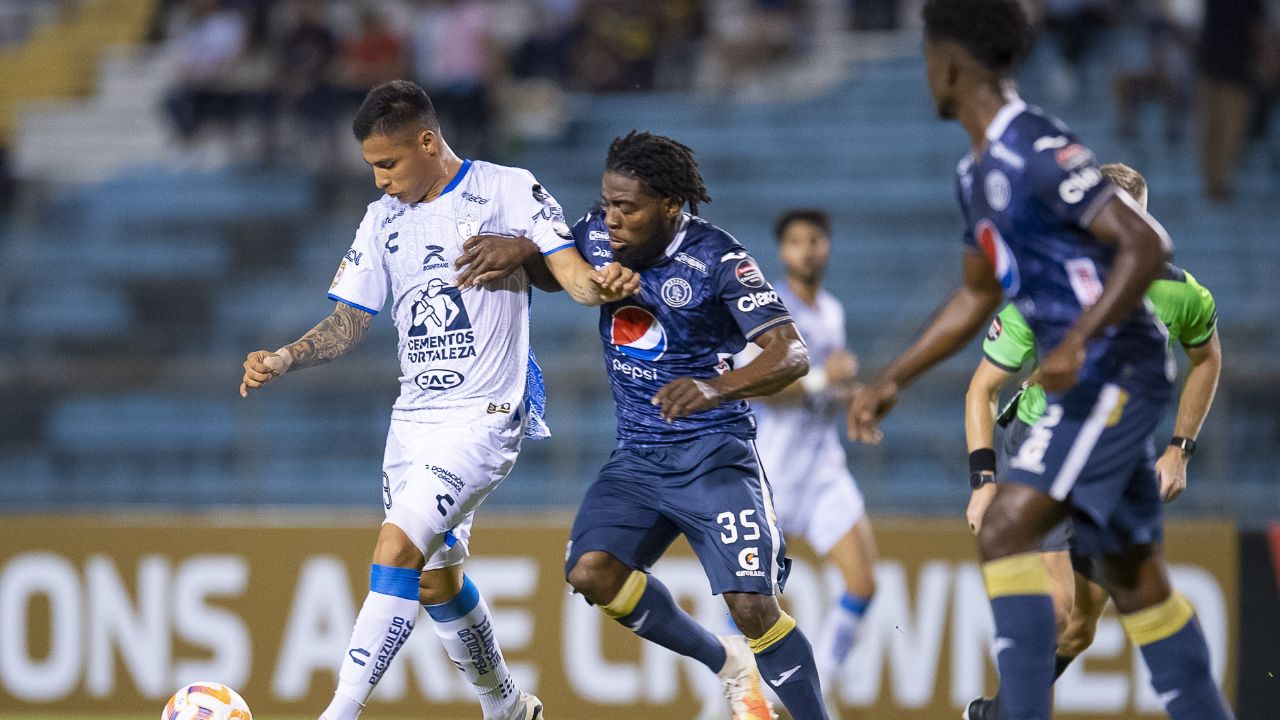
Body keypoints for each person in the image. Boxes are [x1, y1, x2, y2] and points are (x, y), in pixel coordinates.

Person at [847, 2, 1235, 719]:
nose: (925, 71)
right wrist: (893, 379)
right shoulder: (976, 174)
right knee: (1136, 584)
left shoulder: (1038, 146)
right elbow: (975, 295)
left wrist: (1079, 337)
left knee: (1006, 528)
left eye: (928, 55)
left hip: (1113, 372)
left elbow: (1146, 245)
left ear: (950, 63)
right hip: (1092, 384)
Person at [238, 79, 639, 720]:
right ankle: (508, 707)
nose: (380, 180)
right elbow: (349, 320)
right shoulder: (382, 219)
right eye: (372, 167)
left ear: (428, 141)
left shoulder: (509, 189)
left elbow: (574, 279)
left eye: (388, 164)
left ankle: (338, 713)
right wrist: (284, 357)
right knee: (433, 580)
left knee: (395, 550)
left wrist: (604, 283)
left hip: (483, 418)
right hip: (412, 424)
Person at [456, 131, 829, 720]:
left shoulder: (717, 259)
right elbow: (556, 273)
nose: (611, 218)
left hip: (713, 452)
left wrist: (714, 388)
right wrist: (522, 251)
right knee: (591, 572)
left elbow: (792, 354)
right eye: (607, 203)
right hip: (638, 456)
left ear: (670, 205)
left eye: (627, 207)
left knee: (753, 606)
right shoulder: (597, 234)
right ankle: (727, 662)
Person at [962, 163, 1223, 719]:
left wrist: (1180, 446)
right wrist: (983, 482)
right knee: (1057, 609)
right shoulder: (1046, 288)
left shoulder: (1181, 293)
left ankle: (992, 715)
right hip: (1043, 440)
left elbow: (1207, 359)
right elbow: (982, 388)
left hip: (1115, 455)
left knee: (1081, 628)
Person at [737, 210, 877, 696]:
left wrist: (852, 397)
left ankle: (823, 683)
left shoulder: (832, 311)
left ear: (827, 246)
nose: (807, 250)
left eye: (815, 239)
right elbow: (757, 387)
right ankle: (741, 690)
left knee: (863, 581)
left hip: (823, 468)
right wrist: (823, 379)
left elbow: (822, 391)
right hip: (775, 469)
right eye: (796, 241)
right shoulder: (768, 311)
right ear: (782, 252)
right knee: (753, 600)